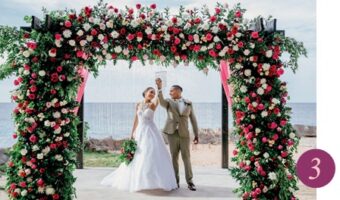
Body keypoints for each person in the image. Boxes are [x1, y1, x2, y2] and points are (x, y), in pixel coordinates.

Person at [101, 87, 177, 192]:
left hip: (150, 132)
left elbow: (159, 98)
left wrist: (159, 88)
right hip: (139, 132)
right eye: (151, 92)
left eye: (153, 93)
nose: (152, 94)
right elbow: (136, 120)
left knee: (150, 154)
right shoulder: (138, 104)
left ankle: (154, 181)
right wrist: (131, 133)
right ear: (145, 93)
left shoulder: (153, 104)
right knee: (137, 156)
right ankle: (138, 180)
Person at [155, 78, 199, 191]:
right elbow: (161, 102)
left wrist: (196, 135)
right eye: (169, 91)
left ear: (179, 91)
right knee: (174, 158)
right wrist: (159, 88)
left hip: (184, 134)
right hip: (172, 133)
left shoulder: (189, 103)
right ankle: (175, 181)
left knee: (186, 158)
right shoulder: (168, 102)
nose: (170, 93)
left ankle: (190, 181)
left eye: (172, 91)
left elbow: (193, 120)